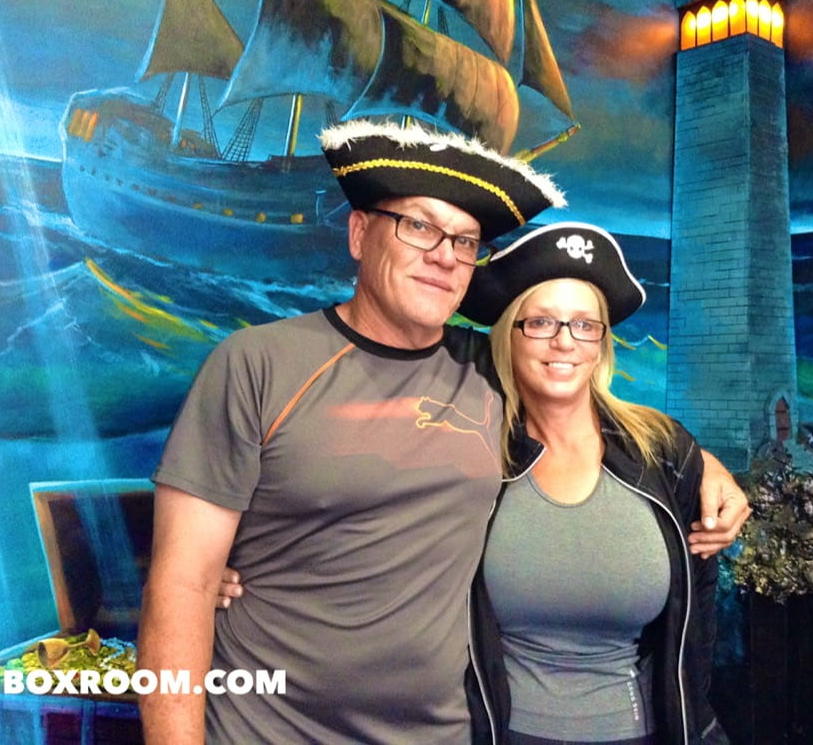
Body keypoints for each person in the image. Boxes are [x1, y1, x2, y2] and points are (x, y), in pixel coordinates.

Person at [143, 119, 748, 743]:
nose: (443, 255)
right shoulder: (256, 364)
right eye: (418, 226)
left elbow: (586, 403)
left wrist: (703, 467)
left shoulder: (491, 369)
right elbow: (183, 585)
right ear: (359, 233)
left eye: (464, 240)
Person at [457, 222, 731, 744]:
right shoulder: (472, 454)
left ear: (602, 342)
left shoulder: (664, 451)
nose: (565, 341)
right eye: (541, 322)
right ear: (508, 334)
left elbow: (697, 612)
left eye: (585, 324)